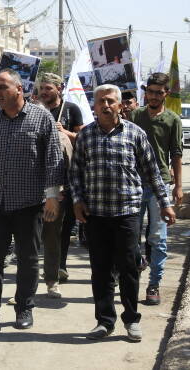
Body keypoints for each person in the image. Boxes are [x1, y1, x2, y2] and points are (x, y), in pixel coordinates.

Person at [70, 84, 176, 342]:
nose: (106, 105)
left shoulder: (135, 133)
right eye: (101, 101)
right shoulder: (86, 136)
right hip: (96, 214)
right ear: (94, 106)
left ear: (119, 105)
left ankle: (131, 320)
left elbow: (152, 172)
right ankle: (104, 321)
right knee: (101, 269)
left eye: (110, 101)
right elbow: (76, 173)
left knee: (129, 268)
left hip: (127, 212)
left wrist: (165, 203)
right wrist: (77, 200)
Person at [0, 69, 63, 332]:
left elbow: (53, 160)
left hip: (28, 204)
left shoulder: (42, 118)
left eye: (3, 87)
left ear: (19, 89)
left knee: (27, 259)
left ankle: (24, 308)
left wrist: (52, 197)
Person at [129, 73, 182, 306]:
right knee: (130, 235)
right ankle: (136, 267)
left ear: (165, 94)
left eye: (158, 93)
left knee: (158, 238)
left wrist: (178, 186)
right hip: (133, 183)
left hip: (160, 184)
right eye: (150, 92)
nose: (153, 96)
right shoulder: (135, 115)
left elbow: (176, 154)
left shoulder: (172, 119)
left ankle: (154, 285)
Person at [38, 72, 84, 295]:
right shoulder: (36, 110)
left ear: (59, 89)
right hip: (38, 179)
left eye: (48, 88)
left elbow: (82, 139)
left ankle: (57, 270)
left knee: (60, 228)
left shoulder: (71, 109)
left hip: (65, 178)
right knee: (42, 229)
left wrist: (63, 132)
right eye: (42, 88)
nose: (44, 92)